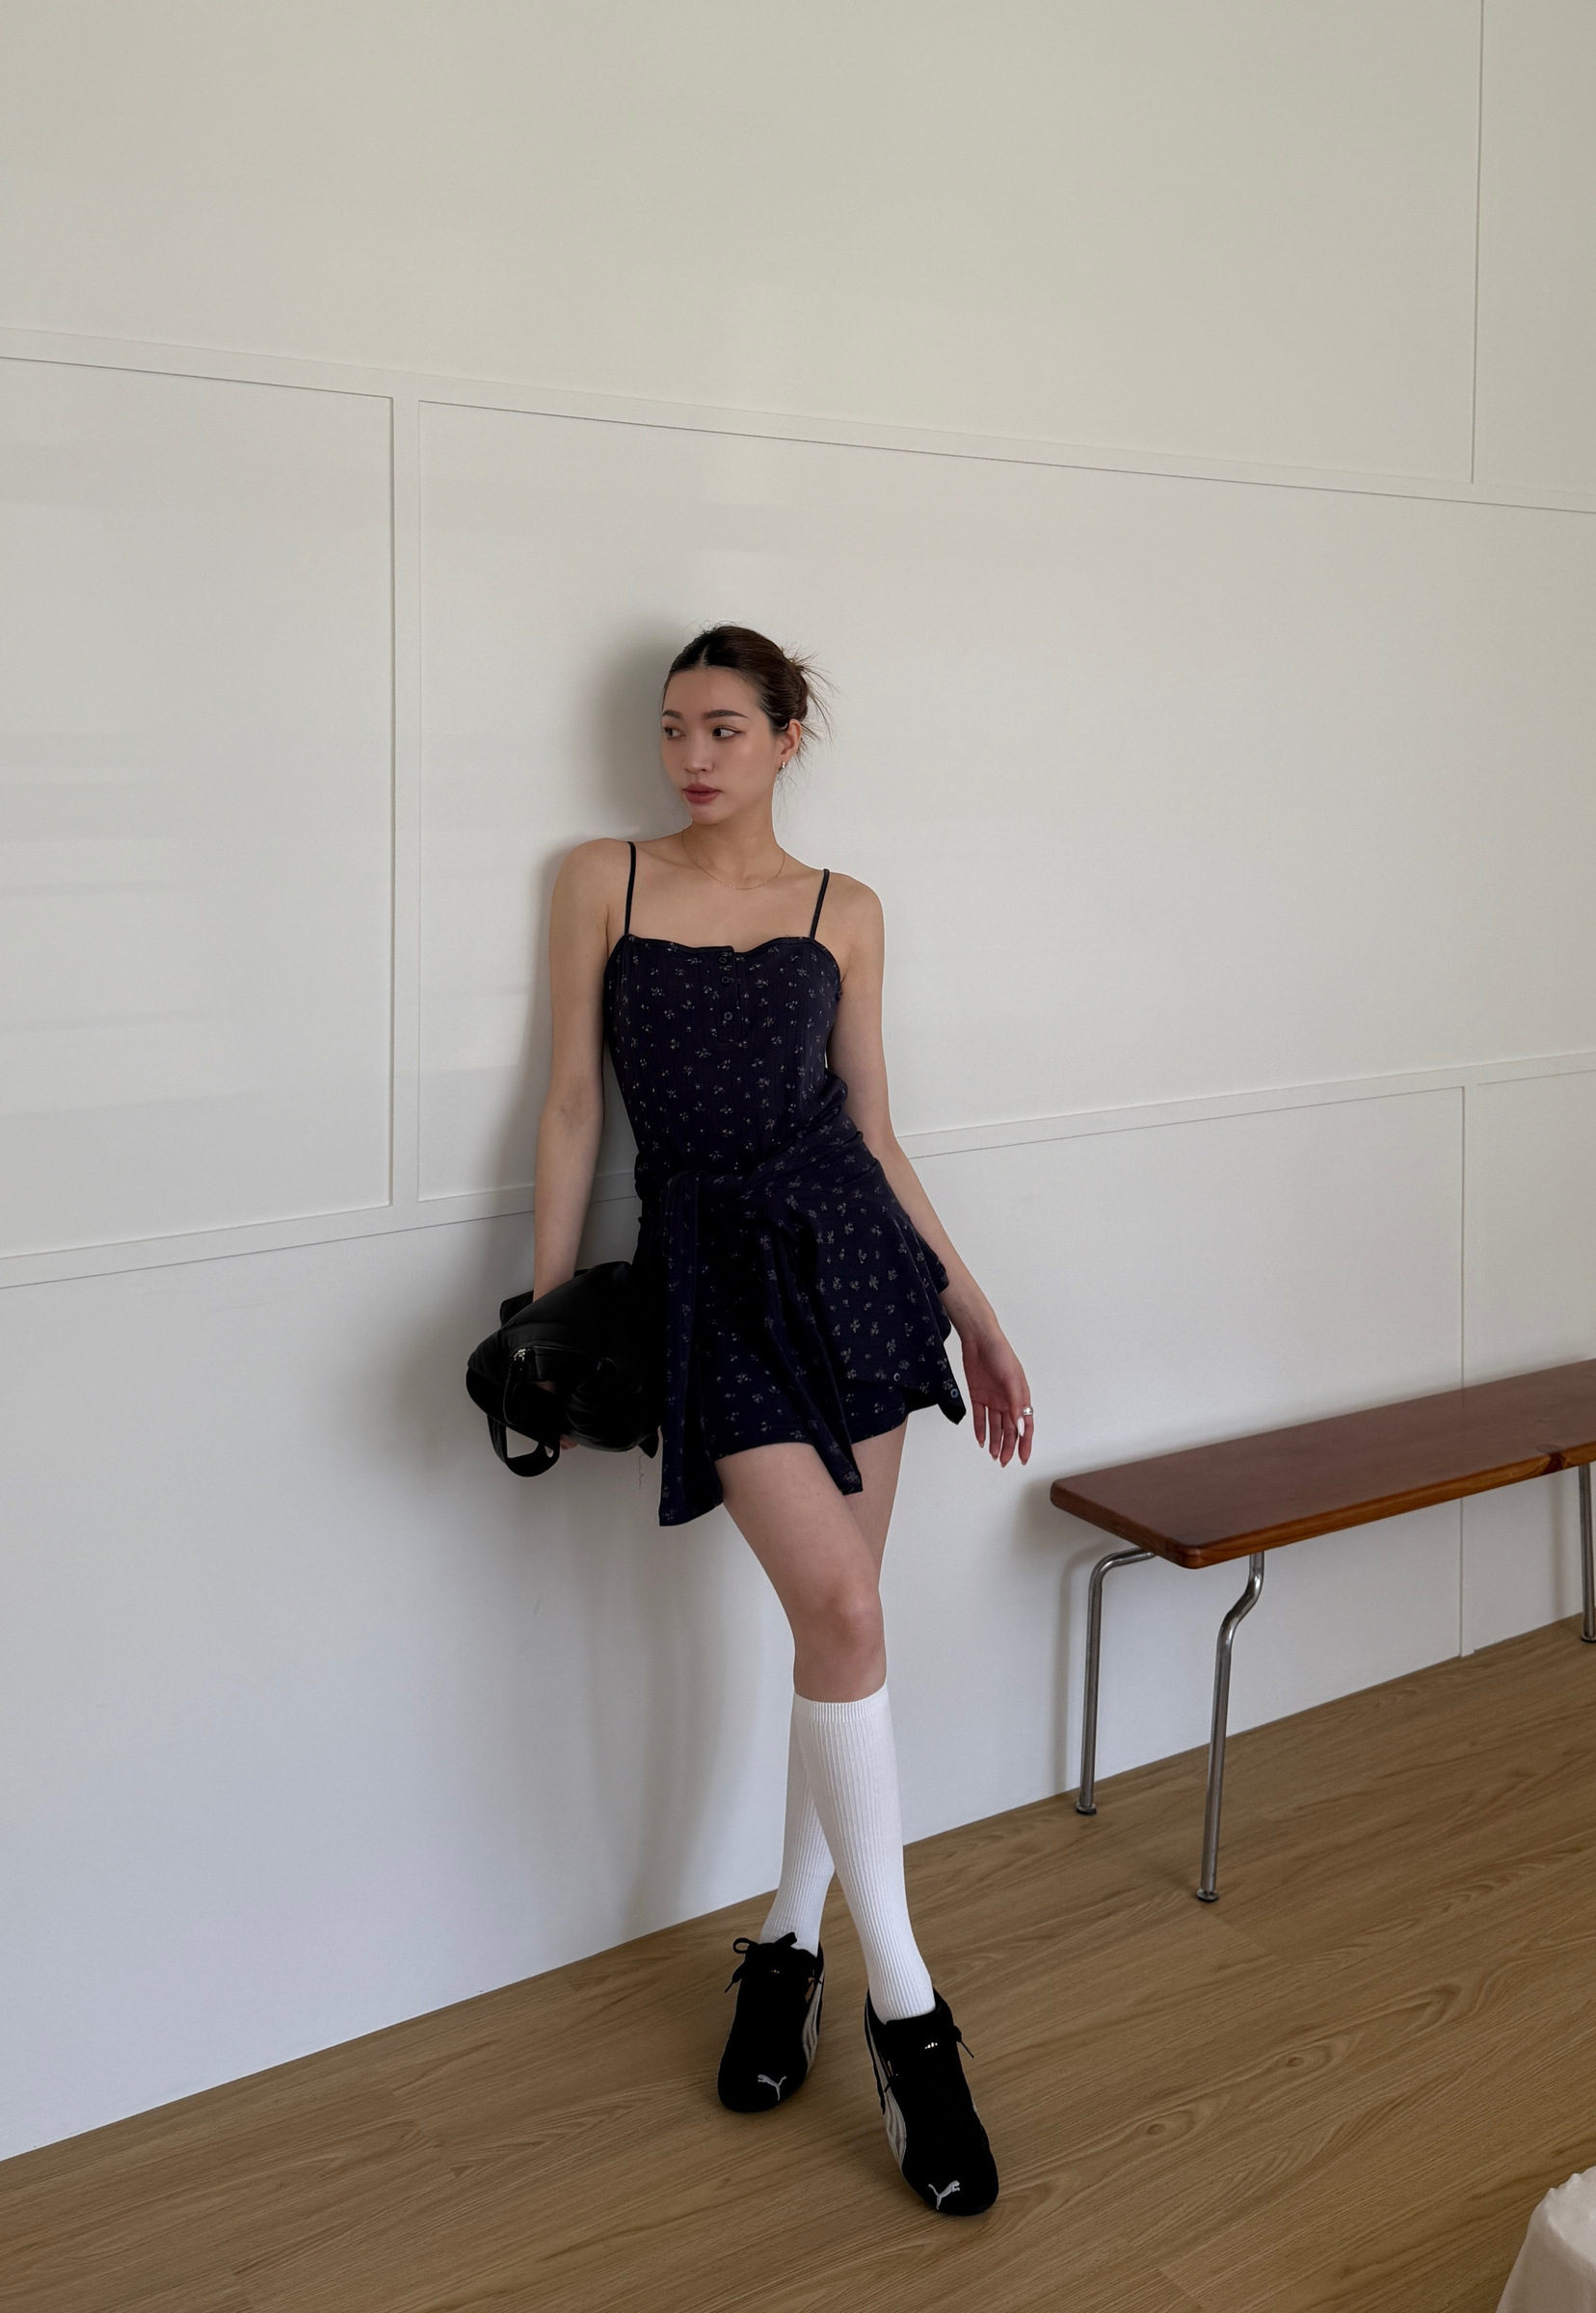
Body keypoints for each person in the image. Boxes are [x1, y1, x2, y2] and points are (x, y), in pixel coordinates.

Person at [533, 625, 1033, 2218]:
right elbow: (572, 1105)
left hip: (858, 1269)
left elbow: (876, 1128)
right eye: (673, 727)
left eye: (725, 729)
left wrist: (974, 1308)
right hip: (707, 1277)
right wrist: (548, 1319)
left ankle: (787, 1948)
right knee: (845, 1612)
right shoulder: (602, 879)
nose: (692, 756)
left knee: (842, 1627)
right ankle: (910, 2019)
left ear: (786, 738)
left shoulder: (846, 909)